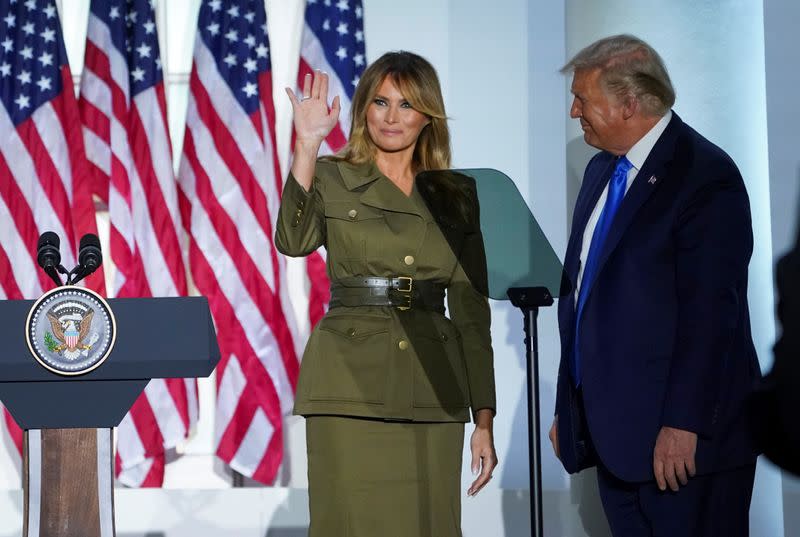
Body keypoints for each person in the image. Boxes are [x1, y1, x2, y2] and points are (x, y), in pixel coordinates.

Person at [275, 51, 497, 537]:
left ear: (427, 116)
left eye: (406, 105)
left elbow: (470, 309)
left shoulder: (456, 192)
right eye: (380, 102)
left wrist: (483, 417)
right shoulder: (332, 174)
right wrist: (307, 145)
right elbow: (293, 241)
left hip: (434, 385)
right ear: (362, 109)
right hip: (348, 384)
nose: (391, 117)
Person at [549, 35, 761, 536]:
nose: (574, 110)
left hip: (684, 450)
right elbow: (585, 298)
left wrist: (684, 424)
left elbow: (712, 316)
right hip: (617, 444)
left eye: (583, 99)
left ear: (629, 103)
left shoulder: (705, 175)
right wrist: (573, 409)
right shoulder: (601, 170)